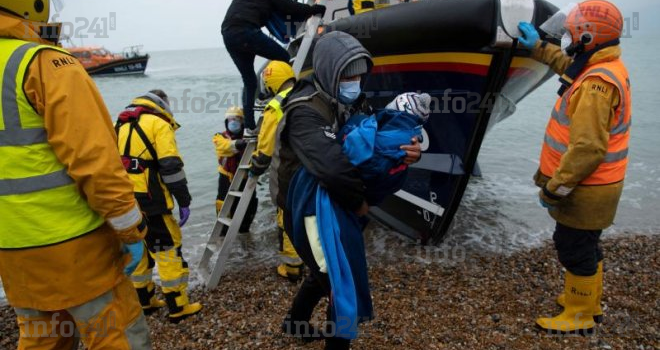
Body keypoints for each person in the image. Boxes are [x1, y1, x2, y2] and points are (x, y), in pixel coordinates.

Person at [0, 1, 152, 348]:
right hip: (76, 243)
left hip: (11, 249)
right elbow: (95, 161)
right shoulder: (44, 63)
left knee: (42, 337)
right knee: (115, 334)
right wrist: (130, 229)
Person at [275, 31, 421, 349]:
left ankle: (295, 324)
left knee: (323, 272)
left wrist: (408, 151)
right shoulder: (304, 111)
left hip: (339, 202)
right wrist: (359, 204)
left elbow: (374, 141)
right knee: (341, 281)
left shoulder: (354, 102)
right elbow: (330, 165)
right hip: (306, 209)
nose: (354, 82)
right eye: (347, 75)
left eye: (359, 75)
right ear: (329, 72)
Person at [518, 0, 631, 334]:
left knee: (572, 247)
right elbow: (566, 64)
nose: (566, 35)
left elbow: (587, 150)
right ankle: (586, 302)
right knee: (586, 245)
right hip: (600, 186)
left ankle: (580, 315)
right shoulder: (603, 65)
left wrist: (555, 188)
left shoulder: (596, 86)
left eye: (571, 31)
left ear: (586, 36)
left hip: (587, 188)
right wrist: (538, 47)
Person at [116, 90, 202, 323]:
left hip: (126, 201)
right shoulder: (159, 124)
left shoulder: (121, 125)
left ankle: (144, 301)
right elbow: (171, 167)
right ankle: (178, 306)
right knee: (167, 251)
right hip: (152, 202)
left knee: (140, 251)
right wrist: (184, 200)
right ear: (162, 103)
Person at [221, 0, 326, 135]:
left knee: (249, 80)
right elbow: (288, 7)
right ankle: (266, 94)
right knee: (283, 57)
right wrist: (313, 9)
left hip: (228, 34)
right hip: (245, 30)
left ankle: (250, 126)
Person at [249, 60, 305, 282]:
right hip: (314, 168)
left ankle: (292, 268)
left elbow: (266, 149)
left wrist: (255, 169)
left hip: (289, 173)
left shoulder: (275, 106)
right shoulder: (308, 95)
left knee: (287, 219)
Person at [213, 106, 258, 233]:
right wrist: (238, 144)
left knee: (249, 206)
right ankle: (223, 234)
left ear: (242, 121)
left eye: (237, 119)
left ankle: (245, 235)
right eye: (230, 119)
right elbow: (224, 147)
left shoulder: (250, 138)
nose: (233, 122)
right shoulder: (219, 136)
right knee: (223, 205)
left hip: (246, 177)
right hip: (226, 177)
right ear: (226, 122)